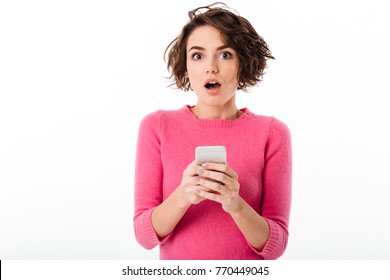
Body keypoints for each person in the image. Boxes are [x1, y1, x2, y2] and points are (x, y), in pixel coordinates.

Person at [133, 2, 292, 260]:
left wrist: (235, 204)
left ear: (243, 63)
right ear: (186, 68)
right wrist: (183, 196)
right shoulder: (157, 126)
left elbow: (276, 245)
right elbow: (143, 236)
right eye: (198, 55)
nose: (211, 68)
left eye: (225, 54)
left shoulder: (273, 133)